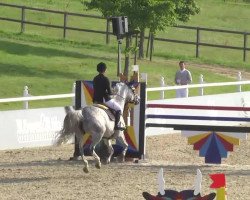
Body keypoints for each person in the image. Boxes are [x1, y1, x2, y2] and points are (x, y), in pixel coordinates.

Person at [93, 62, 125, 131]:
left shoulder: (95, 78)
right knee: (119, 109)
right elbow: (110, 92)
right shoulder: (106, 79)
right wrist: (114, 92)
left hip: (95, 99)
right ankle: (117, 125)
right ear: (105, 70)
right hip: (104, 99)